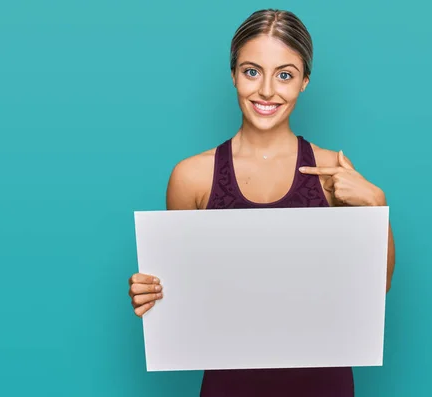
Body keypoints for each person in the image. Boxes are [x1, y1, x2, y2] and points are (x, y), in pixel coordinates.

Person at [128, 8, 396, 397]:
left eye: (284, 74)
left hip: (324, 383)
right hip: (229, 385)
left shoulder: (331, 171)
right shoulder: (192, 177)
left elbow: (376, 290)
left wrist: (377, 204)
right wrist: (152, 292)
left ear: (304, 81)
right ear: (233, 74)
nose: (267, 91)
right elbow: (184, 297)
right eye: (252, 71)